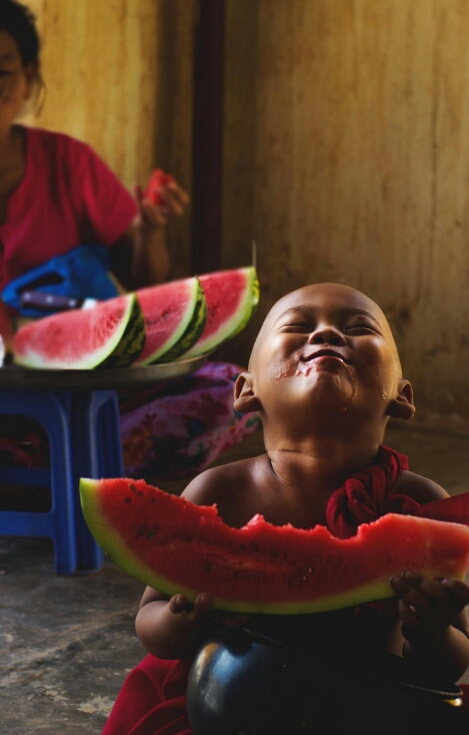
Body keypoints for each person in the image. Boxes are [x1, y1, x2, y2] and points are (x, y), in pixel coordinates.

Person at [102, 282, 469, 734]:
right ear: (245, 390)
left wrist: (431, 630)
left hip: (366, 707)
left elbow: (451, 659)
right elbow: (149, 620)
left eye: (357, 328)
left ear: (402, 395)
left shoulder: (423, 507)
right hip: (230, 705)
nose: (327, 334)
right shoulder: (219, 491)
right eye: (298, 326)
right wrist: (181, 620)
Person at [0, 0, 259, 480]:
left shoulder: (69, 164)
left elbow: (145, 282)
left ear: (29, 79)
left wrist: (150, 229)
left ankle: (44, 461)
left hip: (90, 394)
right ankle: (75, 464)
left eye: (1, 72)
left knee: (233, 389)